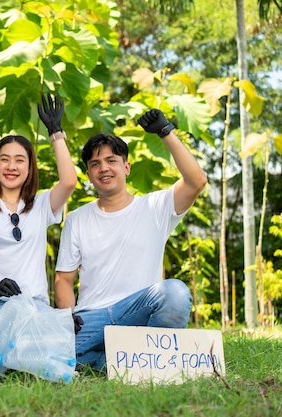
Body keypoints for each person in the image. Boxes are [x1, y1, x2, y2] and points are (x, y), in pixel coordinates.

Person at [54, 109, 208, 371]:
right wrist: (68, 318)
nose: (103, 168)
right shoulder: (77, 219)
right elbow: (64, 280)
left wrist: (165, 131)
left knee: (176, 293)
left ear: (126, 167)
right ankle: (124, 361)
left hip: (139, 316)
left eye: (111, 161)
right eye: (95, 164)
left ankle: (121, 360)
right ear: (90, 175)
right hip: (91, 318)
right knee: (45, 351)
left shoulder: (155, 207)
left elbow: (196, 181)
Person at [0, 94, 78, 377]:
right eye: (5, 160)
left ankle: (16, 362)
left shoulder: (41, 206)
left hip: (32, 307)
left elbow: (69, 181)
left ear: (29, 167)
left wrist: (56, 134)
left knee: (55, 375)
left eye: (19, 160)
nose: (11, 167)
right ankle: (9, 362)